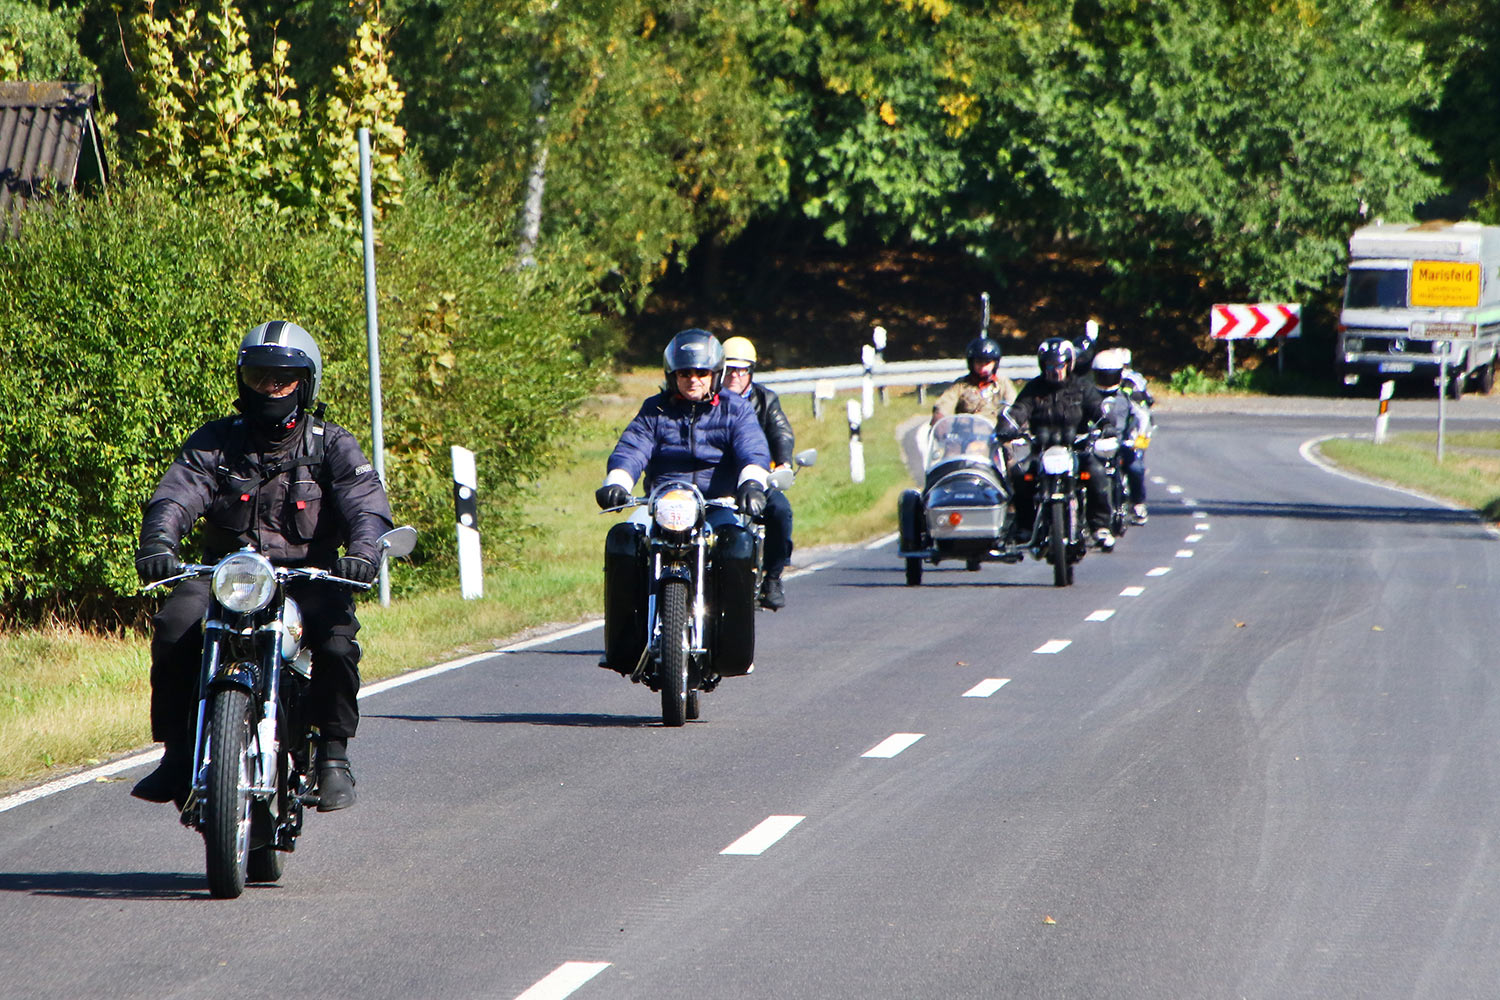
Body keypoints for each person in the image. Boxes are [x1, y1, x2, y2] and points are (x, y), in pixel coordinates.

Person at [131, 321, 394, 811]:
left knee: (336, 645)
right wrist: (158, 542)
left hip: (307, 576)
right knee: (173, 628)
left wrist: (363, 554)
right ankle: (176, 752)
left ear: (306, 382)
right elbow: (176, 495)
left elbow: (367, 507)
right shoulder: (216, 442)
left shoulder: (331, 445)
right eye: (258, 377)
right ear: (242, 381)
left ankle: (333, 756)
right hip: (227, 578)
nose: (270, 388)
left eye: (283, 378)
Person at [595, 329, 771, 673]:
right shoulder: (655, 410)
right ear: (671, 375)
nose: (693, 380)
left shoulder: (735, 409)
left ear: (715, 375)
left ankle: (733, 650)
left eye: (701, 373)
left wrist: (751, 482)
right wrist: (616, 482)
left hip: (717, 504)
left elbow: (753, 447)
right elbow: (633, 448)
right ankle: (623, 648)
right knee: (622, 541)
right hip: (662, 504)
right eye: (684, 373)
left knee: (737, 545)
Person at [997, 337, 1116, 550]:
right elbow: (1018, 410)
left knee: (1097, 473)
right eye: (1050, 366)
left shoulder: (1082, 387)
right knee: (1020, 475)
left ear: (1069, 364)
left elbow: (1099, 409)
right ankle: (1025, 526)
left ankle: (1100, 527)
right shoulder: (1034, 388)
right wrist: (1008, 425)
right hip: (1041, 450)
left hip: (1077, 449)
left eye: (1060, 365)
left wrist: (1106, 423)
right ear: (1043, 365)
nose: (1055, 371)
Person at [721, 336, 796, 610]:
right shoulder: (710, 402)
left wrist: (784, 462)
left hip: (758, 477)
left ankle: (773, 577)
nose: (735, 376)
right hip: (720, 481)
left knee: (780, 511)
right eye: (729, 369)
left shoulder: (765, 399)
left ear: (750, 372)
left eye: (741, 370)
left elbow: (781, 432)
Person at [1092, 348, 1152, 524]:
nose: (1106, 380)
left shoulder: (1128, 392)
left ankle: (1138, 503)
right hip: (1096, 443)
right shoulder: (1088, 394)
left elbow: (1143, 416)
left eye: (1111, 375)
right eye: (1102, 375)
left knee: (1135, 468)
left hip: (1121, 442)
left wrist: (1138, 440)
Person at [931, 336, 1017, 425]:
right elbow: (945, 403)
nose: (983, 367)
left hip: (994, 434)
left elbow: (1014, 405)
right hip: (966, 434)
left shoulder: (1002, 383)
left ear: (995, 363)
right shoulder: (961, 385)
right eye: (979, 363)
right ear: (971, 363)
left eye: (987, 363)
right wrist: (940, 417)